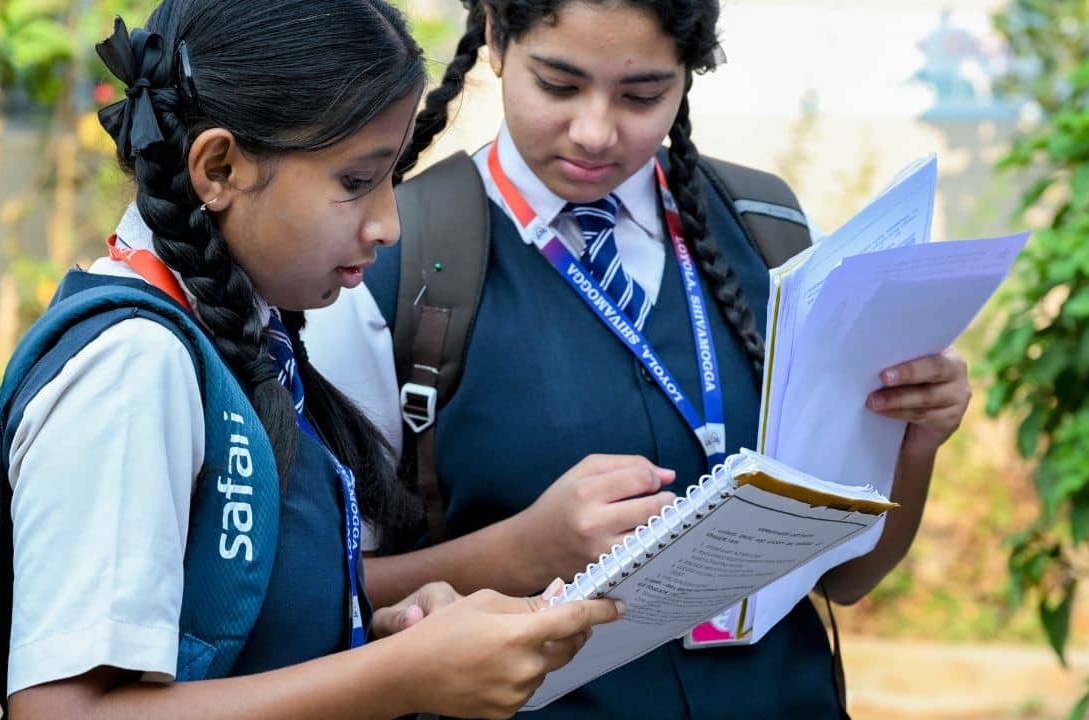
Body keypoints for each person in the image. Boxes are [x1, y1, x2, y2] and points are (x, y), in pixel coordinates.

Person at [306, 0, 972, 717]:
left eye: (642, 96)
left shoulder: (768, 229)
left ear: (687, 77)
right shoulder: (390, 261)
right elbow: (324, 591)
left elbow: (846, 578)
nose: (595, 132)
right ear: (496, 38)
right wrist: (525, 550)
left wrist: (915, 444)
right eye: (558, 86)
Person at [4, 2, 620, 718]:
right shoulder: (135, 368)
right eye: (356, 182)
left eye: (392, 178)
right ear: (219, 166)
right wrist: (400, 675)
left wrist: (377, 631)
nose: (388, 223)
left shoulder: (246, 341)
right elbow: (60, 711)